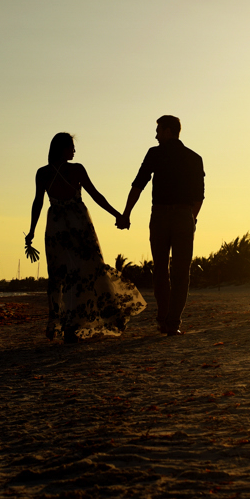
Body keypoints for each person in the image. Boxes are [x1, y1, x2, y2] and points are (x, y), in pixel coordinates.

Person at [26, 133, 146, 343]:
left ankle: (65, 325)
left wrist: (32, 231)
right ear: (61, 148)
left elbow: (38, 203)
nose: (74, 151)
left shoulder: (43, 173)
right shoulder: (76, 169)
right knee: (87, 271)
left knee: (60, 275)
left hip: (56, 225)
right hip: (78, 222)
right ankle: (73, 325)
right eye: (71, 147)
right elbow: (96, 195)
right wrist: (117, 214)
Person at [119, 116, 204, 336]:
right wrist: (190, 219)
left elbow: (138, 184)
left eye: (158, 130)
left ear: (168, 131)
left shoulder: (155, 153)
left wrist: (126, 214)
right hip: (183, 215)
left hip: (161, 215)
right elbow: (199, 197)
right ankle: (172, 322)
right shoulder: (194, 158)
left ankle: (165, 319)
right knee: (180, 272)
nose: (156, 135)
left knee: (161, 270)